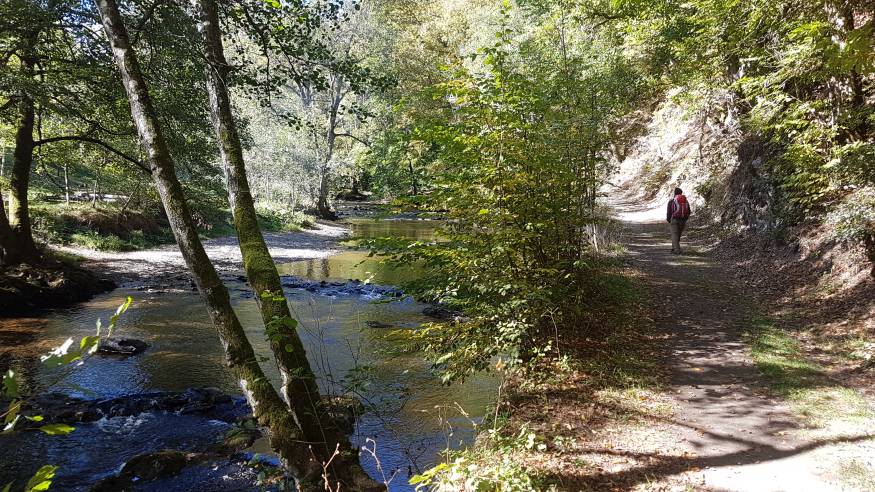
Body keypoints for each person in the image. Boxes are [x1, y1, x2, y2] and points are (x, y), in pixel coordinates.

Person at [666, 187, 691, 254]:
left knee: (674, 235)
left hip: (674, 219)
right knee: (678, 235)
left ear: (674, 193)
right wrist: (685, 218)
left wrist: (669, 220)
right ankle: (673, 248)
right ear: (681, 193)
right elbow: (689, 211)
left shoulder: (672, 201)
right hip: (683, 219)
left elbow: (669, 212)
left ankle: (677, 251)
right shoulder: (685, 201)